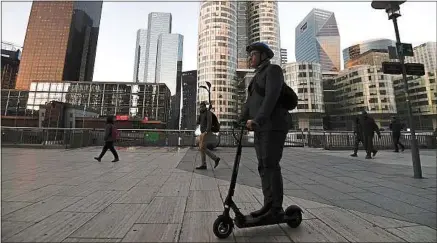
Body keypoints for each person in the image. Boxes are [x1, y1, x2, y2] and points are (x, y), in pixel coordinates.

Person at [240, 42, 290, 222]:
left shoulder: (273, 71)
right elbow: (250, 103)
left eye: (253, 54)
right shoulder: (255, 77)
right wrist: (239, 119)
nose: (250, 58)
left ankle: (276, 208)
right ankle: (268, 205)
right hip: (261, 128)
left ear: (263, 56)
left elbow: (271, 97)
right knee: (263, 166)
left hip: (274, 125)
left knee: (270, 164)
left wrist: (257, 119)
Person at [195, 101, 220, 170]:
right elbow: (198, 122)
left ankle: (211, 160)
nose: (201, 108)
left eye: (202, 107)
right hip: (202, 132)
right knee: (202, 147)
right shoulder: (201, 113)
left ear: (205, 107)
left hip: (206, 132)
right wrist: (199, 115)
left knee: (201, 147)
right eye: (200, 107)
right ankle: (211, 161)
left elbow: (209, 123)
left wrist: (206, 131)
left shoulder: (208, 113)